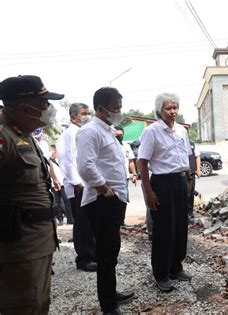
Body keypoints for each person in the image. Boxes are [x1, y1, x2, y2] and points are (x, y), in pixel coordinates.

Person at [0, 75, 63, 314]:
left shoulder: (23, 134)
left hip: (36, 242)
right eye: (44, 102)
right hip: (18, 247)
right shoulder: (4, 136)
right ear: (25, 107)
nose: (49, 108)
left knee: (37, 304)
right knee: (22, 307)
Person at [76, 87, 134, 314]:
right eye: (115, 109)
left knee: (111, 251)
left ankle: (111, 293)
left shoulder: (107, 129)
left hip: (113, 198)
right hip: (103, 200)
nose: (119, 112)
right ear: (100, 108)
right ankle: (108, 305)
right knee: (106, 253)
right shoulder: (90, 131)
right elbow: (85, 165)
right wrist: (104, 189)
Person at [137, 92, 193, 292]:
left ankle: (175, 267)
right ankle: (161, 274)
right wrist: (148, 192)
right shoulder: (152, 131)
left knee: (180, 227)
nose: (173, 112)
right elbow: (142, 163)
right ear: (160, 111)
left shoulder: (181, 131)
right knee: (163, 229)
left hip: (179, 182)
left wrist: (187, 180)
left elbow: (187, 157)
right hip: (161, 183)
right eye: (168, 108)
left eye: (175, 108)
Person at [56, 102, 97, 272]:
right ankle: (84, 259)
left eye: (88, 112)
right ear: (73, 117)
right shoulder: (69, 134)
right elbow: (67, 161)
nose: (87, 115)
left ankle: (93, 254)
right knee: (82, 223)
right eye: (83, 113)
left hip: (89, 184)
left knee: (92, 222)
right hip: (78, 186)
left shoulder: (85, 131)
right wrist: (77, 182)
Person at [114, 126, 137, 229]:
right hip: (114, 179)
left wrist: (134, 174)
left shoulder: (126, 146)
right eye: (117, 135)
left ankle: (121, 221)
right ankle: (114, 222)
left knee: (124, 200)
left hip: (125, 178)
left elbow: (131, 161)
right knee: (114, 200)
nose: (119, 136)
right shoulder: (110, 146)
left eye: (120, 135)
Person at [50, 144, 74, 225]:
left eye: (52, 150)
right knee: (57, 203)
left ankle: (70, 219)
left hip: (63, 183)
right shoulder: (48, 161)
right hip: (54, 184)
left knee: (67, 201)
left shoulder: (61, 159)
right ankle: (59, 219)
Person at [183, 124, 201, 218]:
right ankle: (183, 212)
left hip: (191, 172)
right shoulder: (178, 143)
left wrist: (198, 169)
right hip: (181, 173)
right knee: (182, 193)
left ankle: (190, 211)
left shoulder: (192, 144)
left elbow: (197, 157)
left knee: (191, 192)